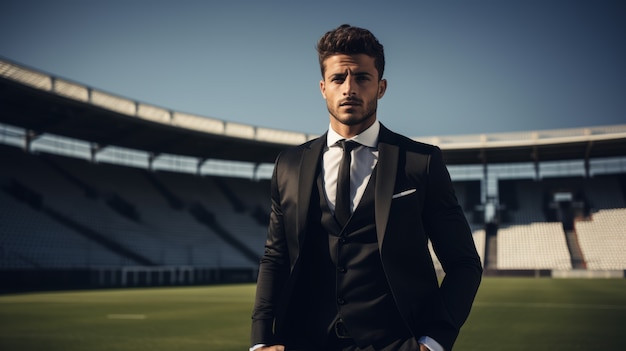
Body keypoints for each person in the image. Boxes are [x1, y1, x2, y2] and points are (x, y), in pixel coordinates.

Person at [250, 24, 482, 351]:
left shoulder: (421, 162)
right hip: (304, 341)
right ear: (322, 88)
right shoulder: (288, 165)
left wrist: (433, 342)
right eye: (337, 79)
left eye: (361, 77)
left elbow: (464, 263)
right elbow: (275, 257)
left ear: (381, 87)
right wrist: (260, 340)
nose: (349, 88)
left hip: (395, 342)